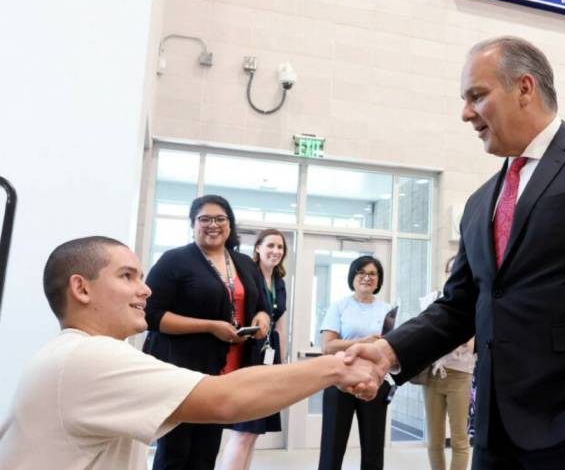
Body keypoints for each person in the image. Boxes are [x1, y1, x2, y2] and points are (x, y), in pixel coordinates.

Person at [344, 36, 565, 469]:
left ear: (524, 88)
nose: (466, 113)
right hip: (495, 433)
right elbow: (458, 307)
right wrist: (390, 351)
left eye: (477, 96)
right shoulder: (478, 203)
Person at [0, 236, 383, 470]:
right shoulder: (86, 358)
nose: (146, 290)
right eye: (127, 276)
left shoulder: (81, 355)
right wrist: (335, 368)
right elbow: (227, 398)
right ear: (81, 289)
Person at [142, 194, 272, 470]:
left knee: (206, 452)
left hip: (226, 371)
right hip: (183, 371)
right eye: (205, 219)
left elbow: (262, 305)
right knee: (176, 451)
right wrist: (210, 327)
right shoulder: (175, 260)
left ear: (230, 224)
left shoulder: (244, 263)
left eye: (220, 219)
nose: (213, 225)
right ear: (193, 224)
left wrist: (261, 320)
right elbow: (151, 315)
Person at [218, 229, 290, 470]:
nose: (276, 251)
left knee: (254, 432)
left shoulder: (279, 282)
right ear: (258, 248)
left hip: (270, 356)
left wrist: (282, 363)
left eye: (280, 247)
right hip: (249, 354)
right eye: (270, 246)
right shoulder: (248, 276)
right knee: (243, 430)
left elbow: (279, 325)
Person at [318, 255, 392, 470]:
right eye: (361, 272)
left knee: (373, 446)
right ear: (352, 277)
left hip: (375, 382)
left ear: (378, 280)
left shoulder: (387, 310)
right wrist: (363, 342)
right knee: (332, 445)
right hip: (339, 380)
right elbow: (327, 346)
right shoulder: (339, 307)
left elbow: (391, 347)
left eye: (372, 274)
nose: (366, 278)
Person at [419, 256, 474, 470]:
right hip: (432, 373)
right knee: (434, 440)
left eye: (458, 270)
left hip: (460, 374)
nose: (454, 275)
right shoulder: (433, 300)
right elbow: (423, 335)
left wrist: (447, 336)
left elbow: (471, 344)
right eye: (450, 271)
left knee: (459, 439)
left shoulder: (474, 302)